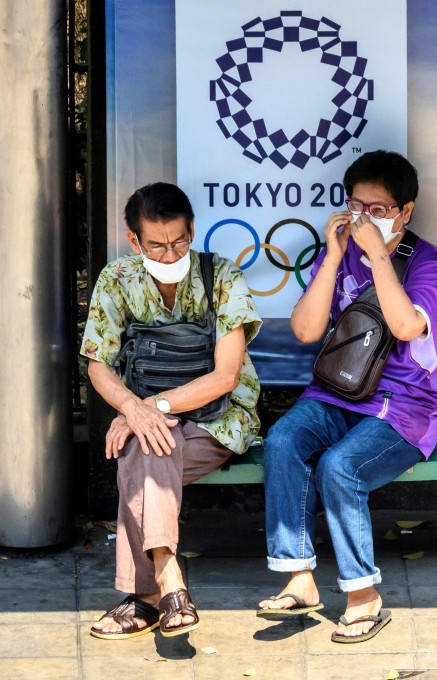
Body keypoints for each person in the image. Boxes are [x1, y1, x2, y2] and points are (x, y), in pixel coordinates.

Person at [257, 151, 437, 643]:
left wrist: (379, 256)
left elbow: (407, 325)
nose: (366, 218)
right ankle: (299, 578)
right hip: (336, 394)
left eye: (380, 209)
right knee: (283, 439)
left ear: (406, 211)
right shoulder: (339, 250)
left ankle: (364, 595)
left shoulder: (428, 262)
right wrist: (335, 254)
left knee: (339, 467)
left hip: (403, 409)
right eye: (356, 205)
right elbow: (304, 330)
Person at [82, 182, 262, 639]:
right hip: (147, 414)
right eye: (157, 245)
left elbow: (225, 376)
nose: (169, 253)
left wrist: (148, 409)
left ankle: (144, 596)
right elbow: (98, 365)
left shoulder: (222, 275)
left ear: (193, 231)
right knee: (150, 446)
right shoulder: (117, 278)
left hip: (219, 417)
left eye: (180, 241)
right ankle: (170, 580)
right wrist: (131, 408)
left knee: (140, 452)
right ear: (134, 241)